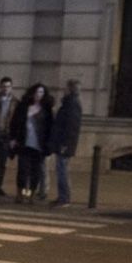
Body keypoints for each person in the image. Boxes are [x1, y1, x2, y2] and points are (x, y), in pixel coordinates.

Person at [8, 83, 54, 204]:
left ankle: (31, 195)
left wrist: (49, 144)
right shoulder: (23, 107)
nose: (39, 95)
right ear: (32, 93)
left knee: (36, 172)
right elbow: (14, 123)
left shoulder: (47, 109)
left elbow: (50, 127)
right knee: (23, 170)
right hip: (24, 143)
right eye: (37, 92)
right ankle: (20, 194)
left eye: (42, 93)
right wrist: (13, 138)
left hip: (39, 145)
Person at [49, 79, 83, 207]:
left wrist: (65, 144)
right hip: (63, 142)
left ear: (70, 89)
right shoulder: (70, 103)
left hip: (65, 143)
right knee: (61, 169)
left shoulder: (72, 104)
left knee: (62, 170)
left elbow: (71, 127)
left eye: (66, 88)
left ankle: (64, 198)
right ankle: (63, 196)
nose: (64, 90)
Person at [0, 77, 17, 197]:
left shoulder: (15, 102)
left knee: (2, 162)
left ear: (11, 87)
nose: (6, 89)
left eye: (8, 86)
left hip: (6, 135)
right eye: (4, 86)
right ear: (0, 87)